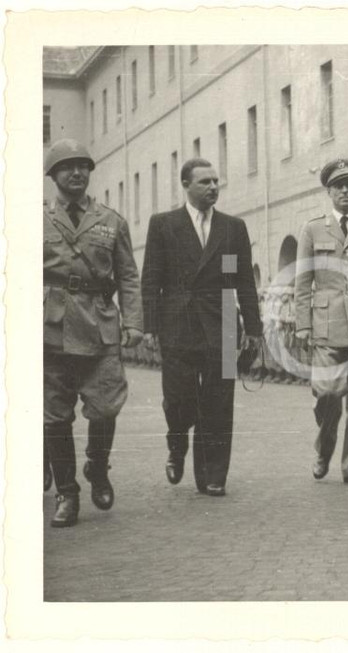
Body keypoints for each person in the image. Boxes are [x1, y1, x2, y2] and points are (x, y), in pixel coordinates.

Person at [141, 158, 263, 497]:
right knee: (178, 400)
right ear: (186, 185)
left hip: (222, 321)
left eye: (215, 181)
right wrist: (149, 326)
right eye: (204, 182)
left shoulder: (232, 227)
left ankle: (213, 474)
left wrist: (253, 328)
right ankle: (177, 443)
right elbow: (150, 277)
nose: (212, 187)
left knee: (219, 402)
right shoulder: (164, 225)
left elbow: (243, 281)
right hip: (178, 323)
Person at [42, 138, 143, 527]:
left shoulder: (110, 221)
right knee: (55, 416)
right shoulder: (35, 219)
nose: (76, 173)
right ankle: (67, 494)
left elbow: (128, 276)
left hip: (101, 327)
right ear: (53, 175)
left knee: (106, 408)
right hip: (51, 329)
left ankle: (97, 467)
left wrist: (133, 321)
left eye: (83, 166)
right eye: (67, 167)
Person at [294, 158, 348, 487]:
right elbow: (302, 281)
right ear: (329, 192)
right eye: (338, 186)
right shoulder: (313, 229)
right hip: (326, 326)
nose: (345, 191)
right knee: (328, 394)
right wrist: (302, 324)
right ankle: (324, 446)